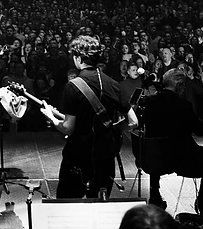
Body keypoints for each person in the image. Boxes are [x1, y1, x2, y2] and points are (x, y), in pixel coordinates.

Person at [40, 35, 137, 199]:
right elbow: (133, 121)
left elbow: (68, 128)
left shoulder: (72, 86)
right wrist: (113, 129)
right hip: (105, 158)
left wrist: (51, 116)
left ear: (78, 58)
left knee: (68, 205)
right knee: (99, 207)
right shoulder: (113, 84)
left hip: (78, 157)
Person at [142, 68, 203, 214]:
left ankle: (154, 193)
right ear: (179, 85)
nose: (184, 88)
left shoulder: (149, 102)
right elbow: (200, 131)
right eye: (184, 85)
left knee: (157, 146)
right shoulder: (183, 105)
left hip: (152, 158)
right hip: (181, 159)